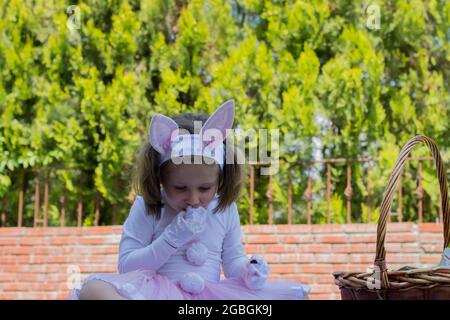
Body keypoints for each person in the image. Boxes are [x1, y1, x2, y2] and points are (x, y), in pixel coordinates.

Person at [70, 100, 310, 300]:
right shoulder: (149, 205)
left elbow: (233, 261)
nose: (193, 199)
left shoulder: (224, 210)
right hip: (154, 294)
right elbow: (127, 266)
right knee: (94, 290)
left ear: (221, 179)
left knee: (293, 296)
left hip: (207, 297)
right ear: (161, 179)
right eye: (180, 188)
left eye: (205, 188)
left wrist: (249, 271)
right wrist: (171, 239)